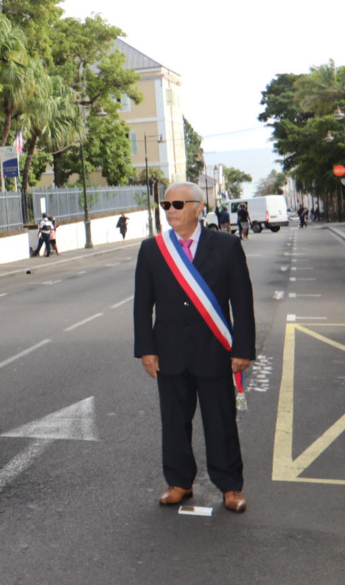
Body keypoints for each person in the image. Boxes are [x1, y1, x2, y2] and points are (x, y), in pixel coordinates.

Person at [133, 182, 255, 513]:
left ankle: (230, 486)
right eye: (166, 205)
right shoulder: (152, 249)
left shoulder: (227, 246)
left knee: (221, 421)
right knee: (173, 421)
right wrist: (146, 349)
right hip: (169, 351)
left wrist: (242, 348)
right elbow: (143, 304)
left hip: (214, 350)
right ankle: (179, 482)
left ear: (199, 208)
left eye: (177, 204)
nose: (170, 210)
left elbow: (242, 302)